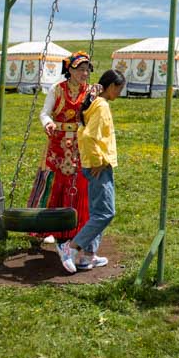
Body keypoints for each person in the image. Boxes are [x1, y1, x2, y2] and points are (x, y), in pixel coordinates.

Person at [57, 69, 125, 273]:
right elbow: (87, 137)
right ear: (111, 86)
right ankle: (71, 247)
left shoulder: (95, 103)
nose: (119, 94)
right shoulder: (102, 106)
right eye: (119, 89)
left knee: (97, 211)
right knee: (106, 213)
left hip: (96, 164)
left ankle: (88, 256)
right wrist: (99, 161)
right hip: (98, 166)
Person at [27, 51, 93, 245]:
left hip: (79, 144)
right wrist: (48, 123)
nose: (84, 74)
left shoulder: (90, 91)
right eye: (80, 69)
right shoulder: (57, 89)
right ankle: (47, 227)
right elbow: (45, 113)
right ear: (70, 70)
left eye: (86, 70)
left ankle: (77, 225)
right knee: (54, 183)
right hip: (57, 143)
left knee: (77, 182)